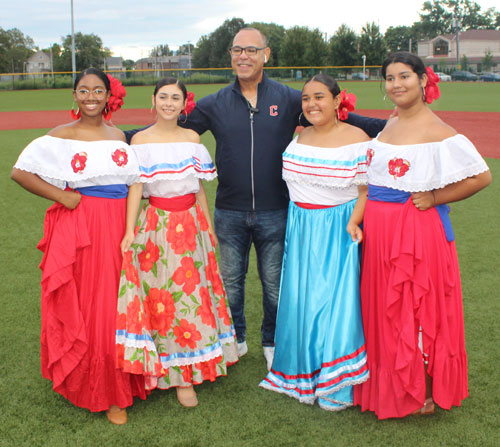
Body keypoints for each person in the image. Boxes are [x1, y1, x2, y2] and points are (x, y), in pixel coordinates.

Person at [138, 27, 386, 369]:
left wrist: (387, 127)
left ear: (265, 55)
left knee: (274, 285)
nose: (244, 56)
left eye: (252, 50)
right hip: (229, 210)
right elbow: (171, 131)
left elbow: (331, 114)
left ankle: (271, 340)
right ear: (231, 55)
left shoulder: (287, 98)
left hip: (276, 209)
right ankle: (236, 339)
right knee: (231, 283)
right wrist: (113, 138)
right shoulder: (214, 104)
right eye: (238, 49)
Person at [353, 52, 492, 419]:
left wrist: (435, 197)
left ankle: (424, 391)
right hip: (380, 232)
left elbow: (481, 177)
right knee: (386, 309)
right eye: (389, 78)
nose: (396, 84)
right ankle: (394, 384)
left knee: (416, 308)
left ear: (423, 81)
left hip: (415, 231)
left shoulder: (439, 131)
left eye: (404, 76)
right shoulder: (389, 125)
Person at [11, 68, 147, 425]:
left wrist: (130, 227)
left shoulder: (119, 135)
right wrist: (61, 196)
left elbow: (133, 182)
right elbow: (21, 172)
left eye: (97, 90)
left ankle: (122, 379)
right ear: (75, 95)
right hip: (83, 225)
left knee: (120, 301)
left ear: (108, 95)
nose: (90, 96)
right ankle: (103, 390)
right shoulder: (61, 135)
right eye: (84, 90)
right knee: (93, 302)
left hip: (119, 224)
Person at [115, 78, 239, 408]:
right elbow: (137, 188)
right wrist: (130, 231)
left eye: (176, 98)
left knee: (191, 295)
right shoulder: (139, 140)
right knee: (160, 295)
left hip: (191, 227)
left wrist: (208, 228)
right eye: (163, 97)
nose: (169, 103)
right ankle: (161, 367)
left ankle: (187, 374)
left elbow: (198, 188)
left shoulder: (192, 139)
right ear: (153, 101)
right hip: (156, 227)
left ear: (185, 105)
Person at [259, 74, 370, 410]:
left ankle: (336, 382)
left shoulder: (357, 138)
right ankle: (303, 372)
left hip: (338, 228)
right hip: (301, 226)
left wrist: (353, 221)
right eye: (306, 99)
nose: (311, 105)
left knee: (335, 304)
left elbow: (366, 190)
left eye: (319, 97)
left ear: (338, 101)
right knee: (303, 300)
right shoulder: (300, 136)